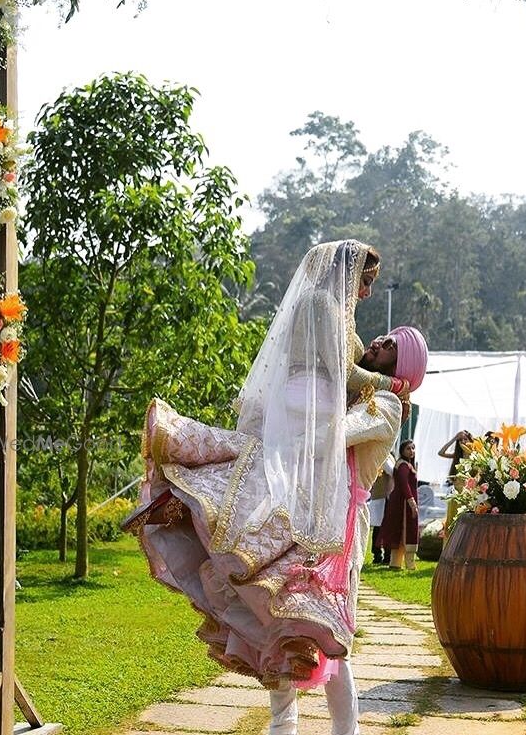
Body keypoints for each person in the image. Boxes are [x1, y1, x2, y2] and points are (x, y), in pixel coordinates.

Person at [126, 239, 428, 734]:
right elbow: (332, 367)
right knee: (280, 620)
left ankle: (340, 731)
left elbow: (332, 434)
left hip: (334, 524)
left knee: (326, 629)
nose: (375, 340)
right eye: (364, 285)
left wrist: (289, 436)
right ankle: (283, 727)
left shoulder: (384, 404)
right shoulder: (339, 348)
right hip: (302, 506)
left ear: (402, 370)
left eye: (388, 348)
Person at [376, 439, 419, 570]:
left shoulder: (406, 464)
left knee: (400, 531)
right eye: (408, 449)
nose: (411, 451)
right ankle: (410, 564)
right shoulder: (403, 466)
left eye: (413, 448)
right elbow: (404, 485)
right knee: (408, 529)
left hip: (402, 501)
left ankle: (395, 563)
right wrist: (412, 503)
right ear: (402, 451)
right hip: (404, 503)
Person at [437, 430, 473, 535]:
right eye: (460, 440)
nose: (463, 442)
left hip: (468, 496)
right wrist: (454, 439)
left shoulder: (474, 456)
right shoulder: (457, 456)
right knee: (453, 523)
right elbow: (441, 452)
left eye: (465, 439)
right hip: (456, 495)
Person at [368, 455, 394, 565]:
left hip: (381, 495)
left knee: (380, 527)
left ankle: (381, 554)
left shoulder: (387, 456)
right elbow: (393, 471)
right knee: (381, 527)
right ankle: (380, 554)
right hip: (382, 495)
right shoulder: (384, 456)